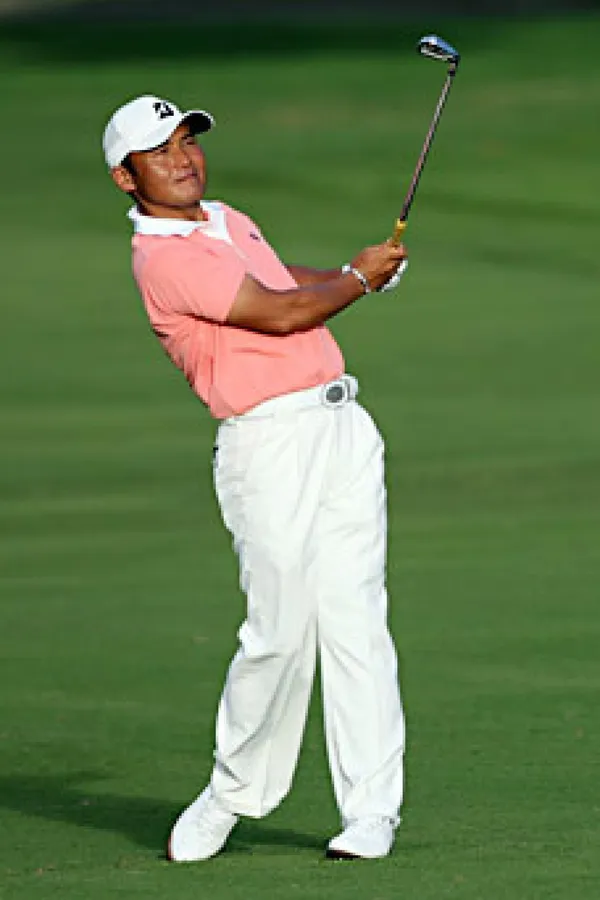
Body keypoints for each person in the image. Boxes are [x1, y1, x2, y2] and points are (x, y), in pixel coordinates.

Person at [103, 94, 408, 862]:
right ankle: (231, 792)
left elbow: (280, 280)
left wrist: (348, 275)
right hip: (267, 448)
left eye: (186, 142)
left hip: (341, 429)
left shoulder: (225, 218)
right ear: (125, 177)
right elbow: (277, 314)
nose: (182, 160)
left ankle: (372, 811)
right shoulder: (162, 259)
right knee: (278, 631)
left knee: (357, 620)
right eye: (159, 152)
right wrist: (357, 281)